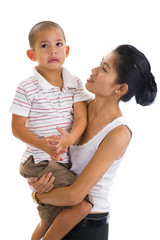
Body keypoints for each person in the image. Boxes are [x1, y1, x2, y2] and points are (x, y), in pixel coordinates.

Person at [28, 44, 157, 240]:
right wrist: (38, 183)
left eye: (104, 68)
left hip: (87, 227)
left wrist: (38, 196)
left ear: (121, 88)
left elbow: (75, 196)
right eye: (99, 63)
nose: (94, 70)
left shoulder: (118, 134)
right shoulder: (76, 108)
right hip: (55, 214)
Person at [9, 21, 93, 240]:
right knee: (82, 205)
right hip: (39, 161)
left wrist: (70, 139)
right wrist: (43, 144)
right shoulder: (26, 87)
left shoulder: (74, 82)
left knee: (49, 219)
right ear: (32, 54)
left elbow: (81, 117)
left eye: (58, 44)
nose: (53, 50)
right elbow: (17, 128)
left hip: (62, 160)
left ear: (66, 51)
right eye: (44, 46)